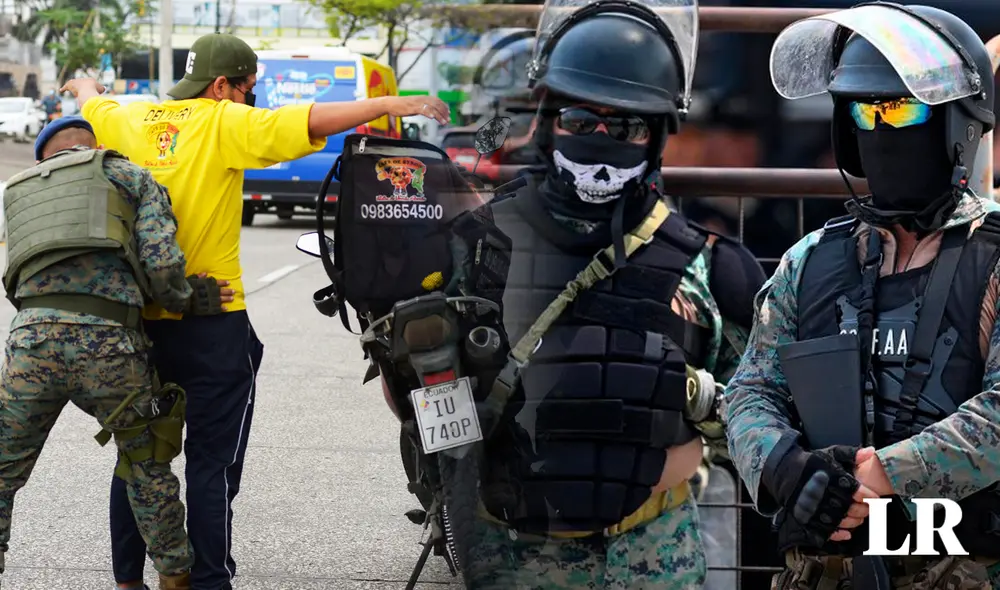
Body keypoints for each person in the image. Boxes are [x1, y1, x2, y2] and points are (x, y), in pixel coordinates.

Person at [57, 33, 451, 590]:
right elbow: (312, 120)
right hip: (213, 327)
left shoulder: (129, 117)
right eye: (249, 87)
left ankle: (128, 580)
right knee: (210, 464)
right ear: (222, 86)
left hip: (140, 326)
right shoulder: (225, 122)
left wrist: (81, 83)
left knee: (139, 458)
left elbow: (93, 98)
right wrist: (391, 103)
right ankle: (211, 581)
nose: (253, 98)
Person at [438, 0, 767, 587]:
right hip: (510, 554)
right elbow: (423, 405)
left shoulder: (710, 269)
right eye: (580, 120)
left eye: (626, 126)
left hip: (653, 554)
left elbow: (757, 413)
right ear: (546, 118)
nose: (600, 139)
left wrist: (691, 402)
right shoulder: (476, 247)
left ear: (658, 135)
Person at [724, 3, 1000, 588]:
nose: (879, 129)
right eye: (863, 113)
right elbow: (751, 390)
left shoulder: (994, 256)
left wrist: (881, 474)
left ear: (958, 124)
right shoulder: (812, 260)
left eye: (900, 109)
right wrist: (786, 468)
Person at [0, 117, 232, 590]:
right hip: (112, 348)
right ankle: (174, 577)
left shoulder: (18, 190)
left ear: (46, 159)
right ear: (95, 148)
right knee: (146, 466)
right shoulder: (127, 175)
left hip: (31, 344)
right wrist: (187, 299)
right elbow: (162, 263)